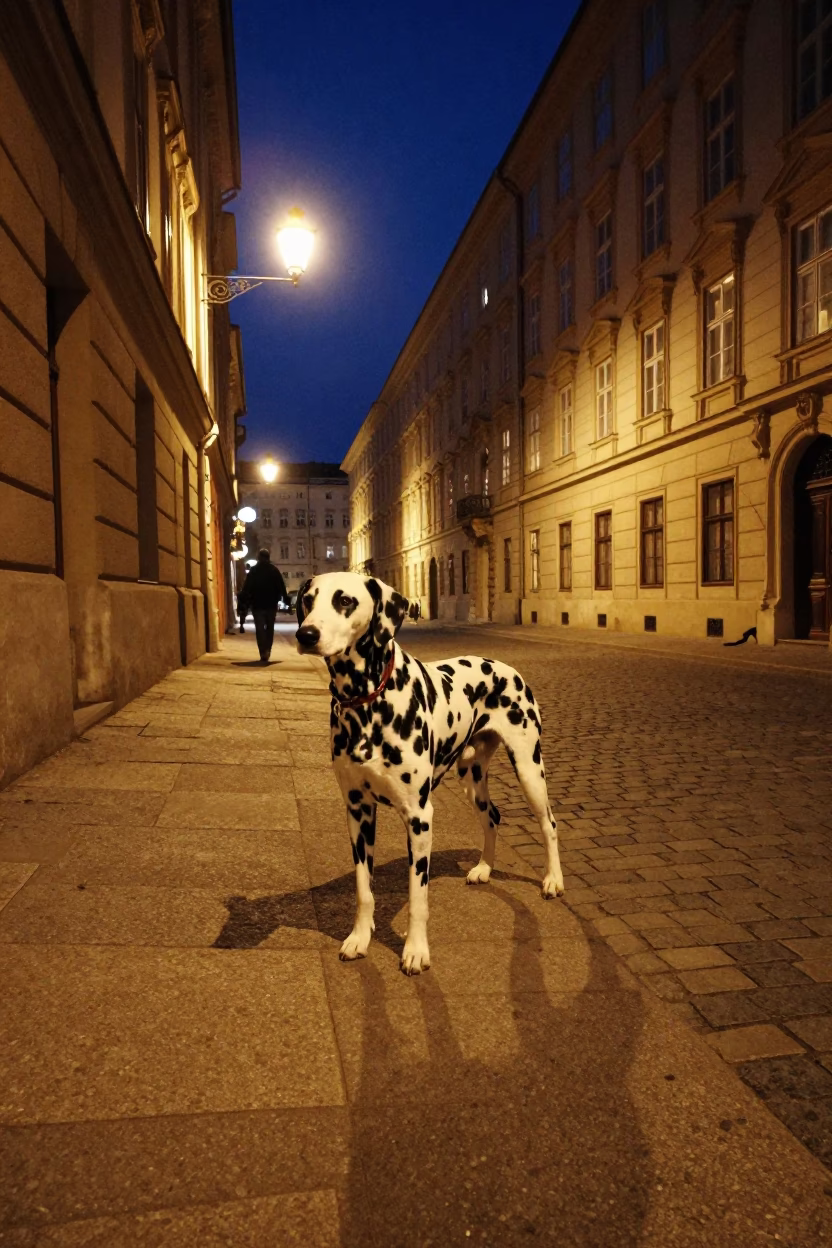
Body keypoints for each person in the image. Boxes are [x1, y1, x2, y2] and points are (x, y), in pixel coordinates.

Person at [237, 549, 288, 663]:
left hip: (258, 605)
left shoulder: (254, 571)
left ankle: (263, 652)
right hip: (271, 605)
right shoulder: (274, 570)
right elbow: (281, 586)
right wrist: (285, 599)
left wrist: (244, 601)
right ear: (268, 557)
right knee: (270, 629)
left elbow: (247, 588)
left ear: (259, 558)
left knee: (260, 630)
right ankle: (267, 651)